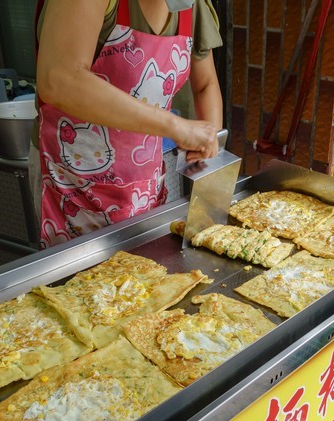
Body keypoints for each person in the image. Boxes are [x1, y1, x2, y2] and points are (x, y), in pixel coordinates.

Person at [34, 0, 223, 247]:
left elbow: (205, 84)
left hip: (144, 182)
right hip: (72, 181)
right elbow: (60, 79)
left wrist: (209, 157)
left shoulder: (190, 5)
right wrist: (176, 126)